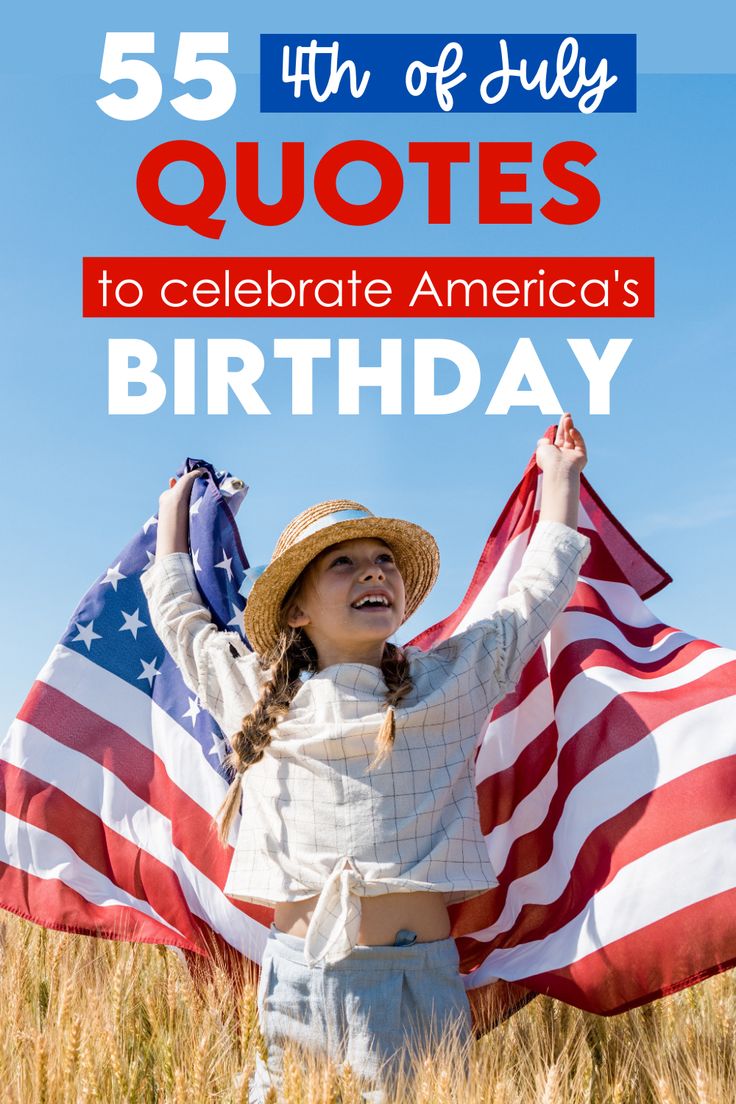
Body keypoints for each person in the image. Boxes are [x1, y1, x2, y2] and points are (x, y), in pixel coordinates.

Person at [141, 412, 591, 1102]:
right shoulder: (254, 693)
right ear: (296, 612)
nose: (371, 572)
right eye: (342, 563)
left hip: (420, 988)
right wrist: (173, 519)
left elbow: (535, 596)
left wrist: (561, 480)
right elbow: (180, 619)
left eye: (383, 561)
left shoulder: (450, 682)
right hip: (298, 982)